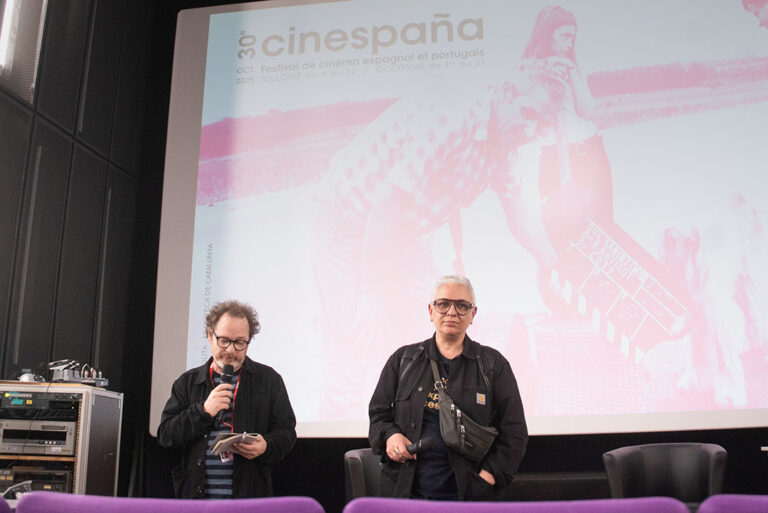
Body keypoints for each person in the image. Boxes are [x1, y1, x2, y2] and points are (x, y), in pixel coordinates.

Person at [313, 73, 565, 419]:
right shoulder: (451, 115)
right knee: (354, 336)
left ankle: (408, 431)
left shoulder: (504, 139)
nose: (530, 130)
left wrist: (550, 261)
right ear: (506, 93)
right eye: (529, 114)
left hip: (402, 228)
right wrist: (370, 292)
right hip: (351, 215)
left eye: (540, 125)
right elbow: (386, 202)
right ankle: (342, 434)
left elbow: (516, 208)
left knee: (420, 333)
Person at [368, 275, 528, 501]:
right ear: (430, 310)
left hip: (468, 497)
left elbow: (515, 433)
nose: (452, 312)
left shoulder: (493, 365)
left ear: (473, 314)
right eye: (443, 304)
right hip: (405, 494)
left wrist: (487, 478)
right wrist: (391, 436)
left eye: (462, 305)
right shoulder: (404, 360)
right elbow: (378, 414)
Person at [157, 300, 296, 499]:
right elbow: (166, 435)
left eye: (240, 342)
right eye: (224, 340)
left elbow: (287, 433)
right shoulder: (188, 382)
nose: (230, 350)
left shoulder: (268, 380)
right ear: (210, 335)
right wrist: (203, 411)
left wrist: (266, 445)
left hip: (248, 499)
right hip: (197, 500)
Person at [521, 5, 614, 252]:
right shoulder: (526, 71)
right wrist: (547, 75)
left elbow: (586, 111)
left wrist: (571, 73)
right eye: (563, 36)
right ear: (546, 34)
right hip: (552, 156)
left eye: (572, 37)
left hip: (588, 151)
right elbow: (533, 118)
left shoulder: (573, 66)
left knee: (600, 227)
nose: (569, 43)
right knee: (559, 232)